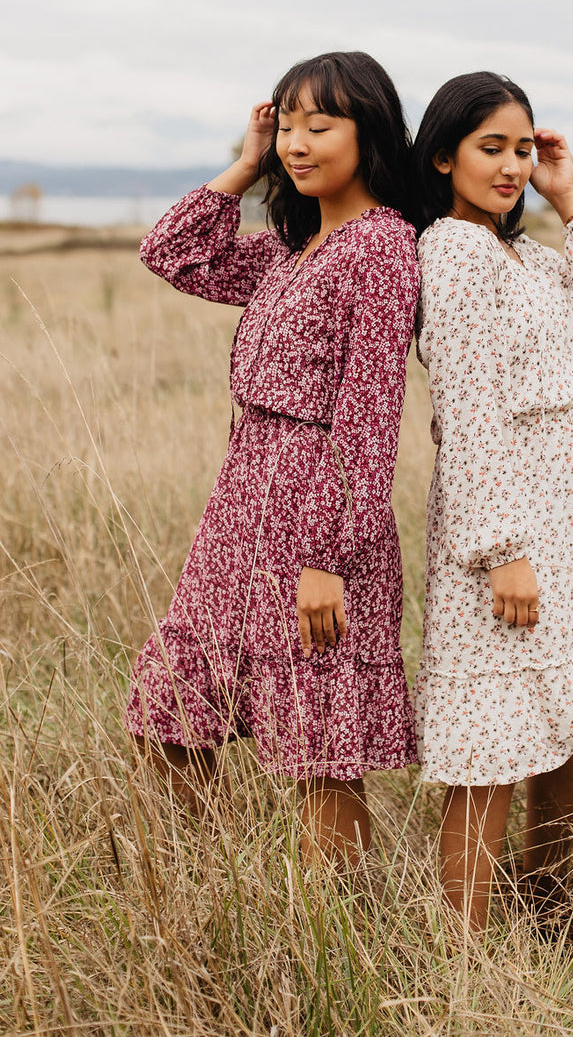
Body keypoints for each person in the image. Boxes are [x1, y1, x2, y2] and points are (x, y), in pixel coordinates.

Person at [125, 50, 420, 862]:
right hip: (238, 510)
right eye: (287, 125)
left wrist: (328, 557)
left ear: (372, 134)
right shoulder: (290, 250)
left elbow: (368, 418)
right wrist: (245, 163)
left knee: (319, 751)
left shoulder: (383, 248)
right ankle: (217, 895)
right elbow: (172, 254)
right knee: (171, 708)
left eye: (319, 126)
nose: (297, 142)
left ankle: (339, 942)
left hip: (313, 522)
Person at [411, 71, 573, 928]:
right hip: (505, 516)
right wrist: (500, 549)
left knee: (572, 719)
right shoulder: (454, 254)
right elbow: (469, 411)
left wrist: (567, 197)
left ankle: (547, 904)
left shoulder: (526, 255)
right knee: (493, 737)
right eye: (491, 149)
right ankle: (465, 956)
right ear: (443, 156)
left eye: (522, 147)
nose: (511, 166)